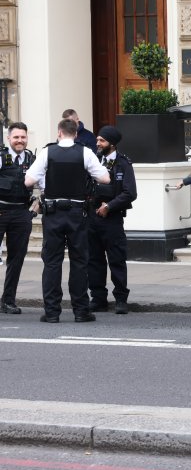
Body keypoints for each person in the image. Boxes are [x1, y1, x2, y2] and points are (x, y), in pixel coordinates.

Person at [25, 118, 110, 323]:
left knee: (52, 263)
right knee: (79, 262)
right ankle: (81, 311)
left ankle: (52, 312)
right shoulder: (85, 152)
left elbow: (28, 180)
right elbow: (105, 179)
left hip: (53, 213)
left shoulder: (47, 152)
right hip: (77, 213)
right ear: (76, 134)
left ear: (59, 133)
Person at [88, 125, 137, 314]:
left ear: (112, 143)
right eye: (97, 139)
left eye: (102, 140)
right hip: (92, 218)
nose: (98, 143)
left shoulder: (123, 164)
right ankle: (98, 298)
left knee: (116, 259)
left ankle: (121, 299)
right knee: (94, 260)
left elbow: (130, 193)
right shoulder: (94, 160)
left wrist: (109, 206)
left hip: (112, 220)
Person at [0, 122, 36, 314]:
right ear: (9, 139)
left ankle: (8, 301)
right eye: (16, 137)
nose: (20, 141)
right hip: (1, 210)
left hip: (21, 213)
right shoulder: (1, 157)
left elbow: (44, 185)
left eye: (23, 137)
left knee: (16, 259)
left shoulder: (32, 159)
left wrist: (35, 209)